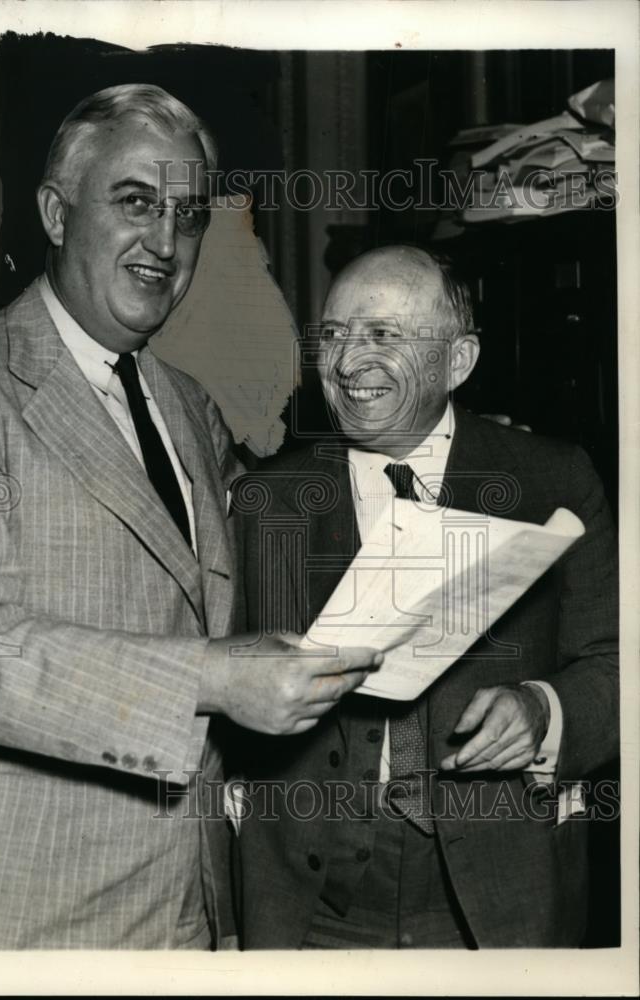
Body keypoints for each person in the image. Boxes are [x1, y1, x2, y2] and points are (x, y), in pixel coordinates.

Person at [0, 84, 380, 950]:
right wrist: (213, 679)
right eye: (136, 203)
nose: (166, 242)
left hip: (183, 907)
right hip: (21, 922)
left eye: (189, 215)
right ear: (55, 212)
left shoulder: (186, 403)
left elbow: (260, 561)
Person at [231, 244, 619, 948]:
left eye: (382, 335)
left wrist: (545, 710)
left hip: (498, 895)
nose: (347, 364)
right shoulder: (264, 501)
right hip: (309, 904)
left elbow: (616, 662)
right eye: (335, 335)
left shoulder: (553, 480)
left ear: (459, 361)